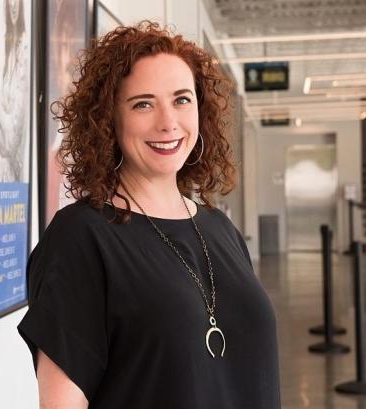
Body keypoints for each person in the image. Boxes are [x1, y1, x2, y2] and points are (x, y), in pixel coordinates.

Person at [17, 21, 281, 408]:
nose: (168, 122)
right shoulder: (80, 237)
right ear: (109, 120)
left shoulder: (219, 227)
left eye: (181, 100)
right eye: (143, 104)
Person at [0, 0, 29, 182]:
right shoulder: (6, 43)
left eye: (17, 2)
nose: (14, 6)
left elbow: (18, 109)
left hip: (13, 153)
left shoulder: (24, 46)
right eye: (10, 2)